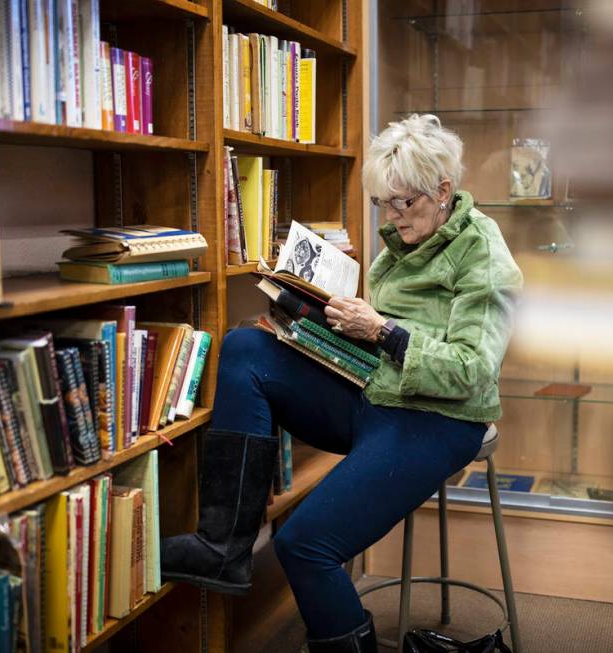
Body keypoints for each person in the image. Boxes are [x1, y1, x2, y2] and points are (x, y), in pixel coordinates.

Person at [161, 114, 523, 653]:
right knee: (246, 348)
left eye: (403, 202)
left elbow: (473, 371)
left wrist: (383, 330)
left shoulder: (483, 254)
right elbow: (382, 343)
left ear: (443, 191)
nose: (393, 216)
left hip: (439, 419)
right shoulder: (406, 239)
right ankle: (224, 545)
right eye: (384, 202)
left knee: (304, 545)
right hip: (374, 391)